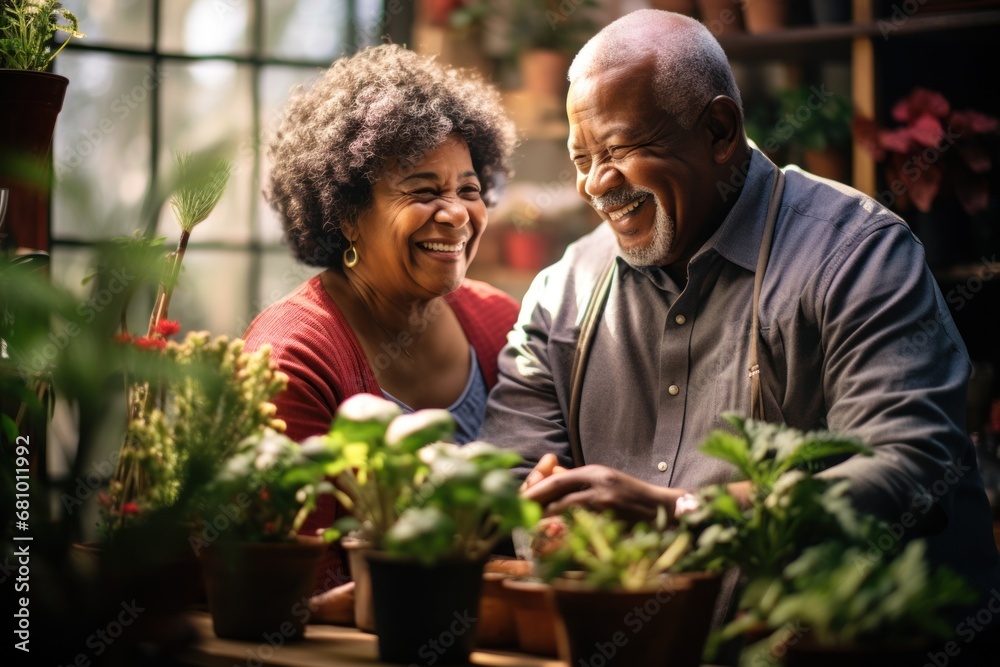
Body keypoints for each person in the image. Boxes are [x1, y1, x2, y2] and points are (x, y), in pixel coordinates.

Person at [479, 7, 1000, 652]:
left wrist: (682, 512)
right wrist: (545, 523)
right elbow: (508, 475)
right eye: (581, 159)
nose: (595, 185)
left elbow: (909, 469)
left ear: (720, 130)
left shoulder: (857, 257)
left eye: (617, 151)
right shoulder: (563, 293)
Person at [243, 44, 518, 622]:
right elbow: (312, 589)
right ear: (344, 213)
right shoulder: (293, 353)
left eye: (468, 189)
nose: (456, 214)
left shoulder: (501, 324)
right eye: (422, 191)